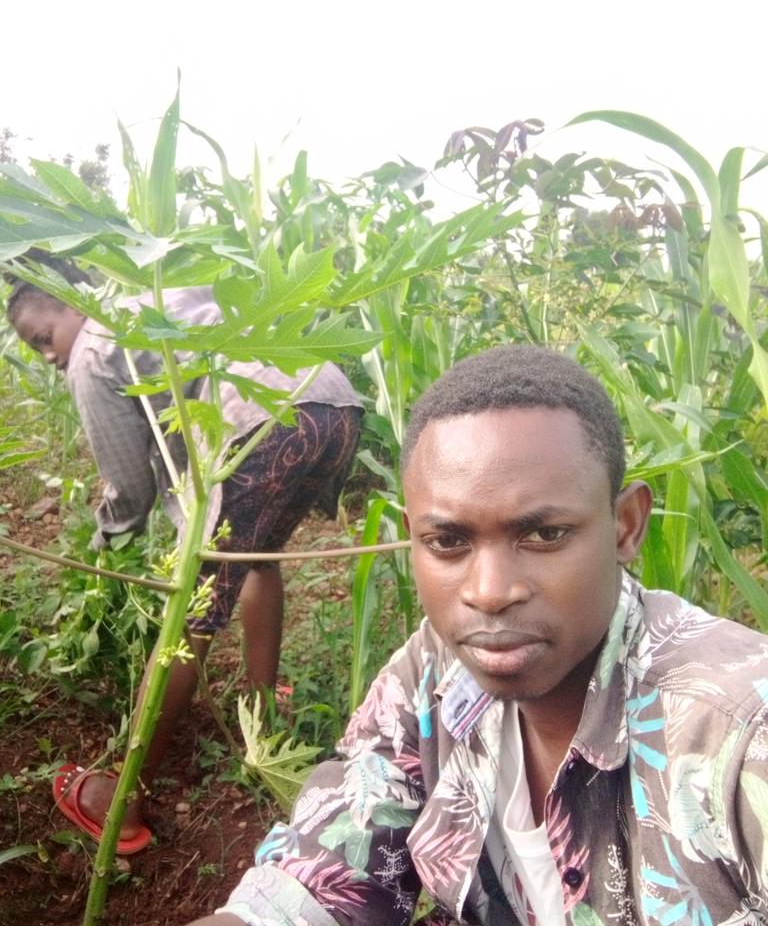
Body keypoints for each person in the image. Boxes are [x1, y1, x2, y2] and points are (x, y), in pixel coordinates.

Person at [184, 344, 768, 926]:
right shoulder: (433, 675)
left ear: (626, 526)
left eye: (544, 534)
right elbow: (314, 882)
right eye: (448, 542)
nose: (489, 592)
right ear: (412, 537)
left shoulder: (738, 738)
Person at [6, 272, 363, 853]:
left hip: (260, 426)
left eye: (44, 337)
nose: (48, 355)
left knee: (191, 613)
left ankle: (123, 798)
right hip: (332, 404)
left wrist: (107, 540)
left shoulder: (93, 351)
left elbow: (129, 486)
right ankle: (258, 714)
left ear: (74, 305)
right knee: (258, 559)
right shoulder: (153, 301)